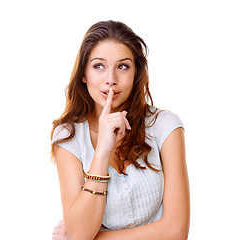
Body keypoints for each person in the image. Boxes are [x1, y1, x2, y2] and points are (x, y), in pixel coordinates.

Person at [51, 20, 190, 240]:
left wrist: (92, 238)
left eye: (123, 66)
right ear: (83, 74)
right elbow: (80, 233)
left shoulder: (165, 126)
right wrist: (102, 153)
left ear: (136, 74)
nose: (111, 80)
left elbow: (176, 231)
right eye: (99, 66)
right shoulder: (68, 136)